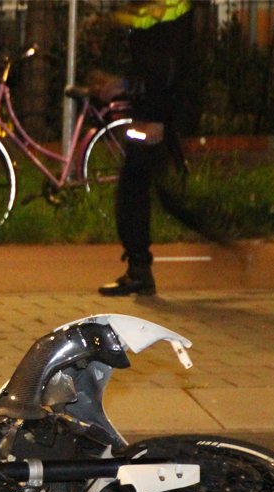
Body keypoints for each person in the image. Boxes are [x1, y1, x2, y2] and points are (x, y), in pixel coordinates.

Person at [94, 0, 195, 297]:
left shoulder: (167, 9)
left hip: (155, 112)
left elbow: (166, 63)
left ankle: (139, 271)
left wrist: (159, 118)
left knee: (134, 187)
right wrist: (124, 83)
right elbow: (151, 60)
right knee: (143, 187)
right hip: (153, 108)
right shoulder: (156, 10)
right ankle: (139, 270)